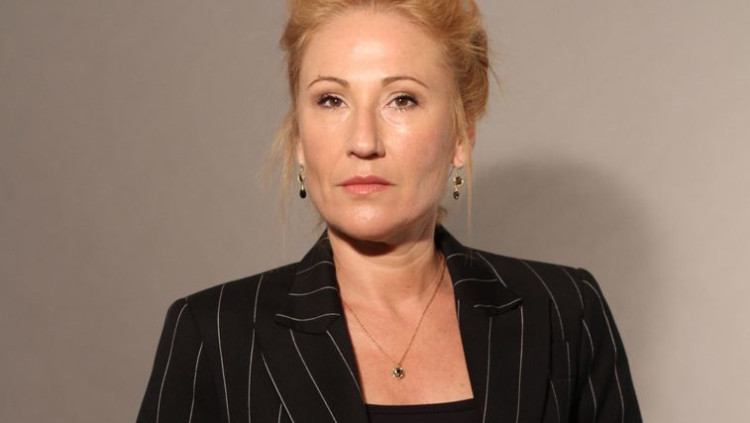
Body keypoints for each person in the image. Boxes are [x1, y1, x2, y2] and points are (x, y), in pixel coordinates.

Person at [137, 0, 642, 422]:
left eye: (402, 100)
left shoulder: (564, 312)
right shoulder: (213, 333)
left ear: (462, 135)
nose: (363, 142)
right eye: (331, 100)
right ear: (299, 139)